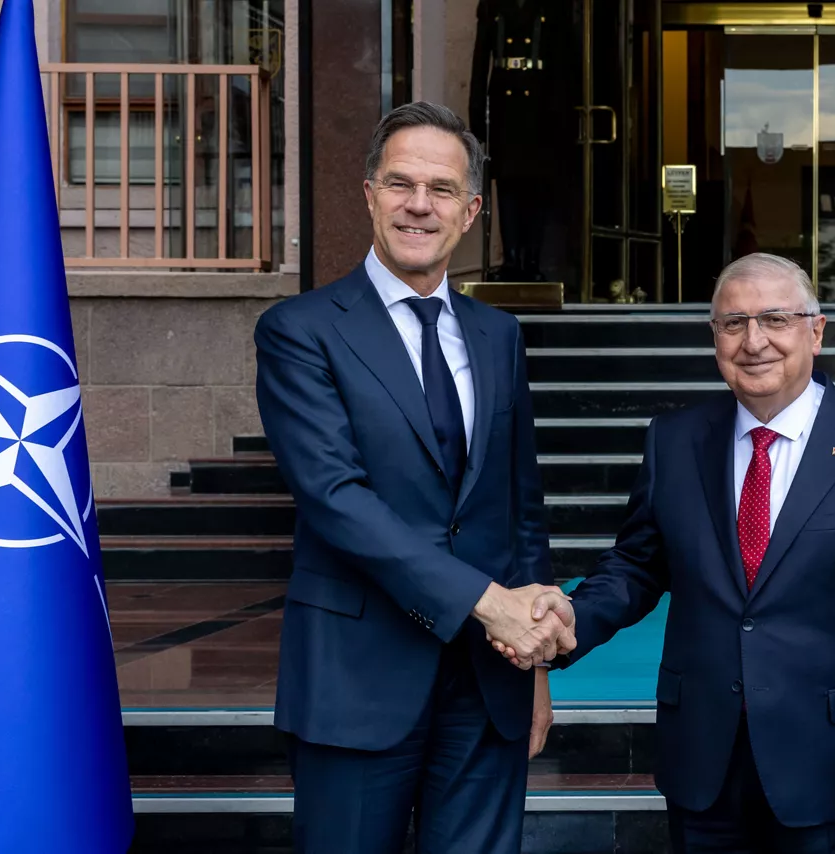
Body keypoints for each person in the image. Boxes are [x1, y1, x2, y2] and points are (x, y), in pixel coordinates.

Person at [497, 253, 835, 852]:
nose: (753, 341)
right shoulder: (675, 441)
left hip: (831, 769)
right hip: (703, 763)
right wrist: (569, 620)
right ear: (715, 339)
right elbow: (637, 566)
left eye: (775, 319)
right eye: (733, 324)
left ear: (816, 332)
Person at [254, 101, 575, 854]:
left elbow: (519, 506)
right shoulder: (300, 331)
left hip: (490, 683)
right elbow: (336, 500)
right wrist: (490, 604)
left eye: (441, 189)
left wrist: (535, 665)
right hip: (357, 679)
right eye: (401, 183)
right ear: (370, 194)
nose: (419, 205)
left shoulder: (498, 335)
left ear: (471, 211)